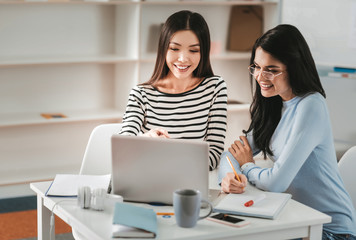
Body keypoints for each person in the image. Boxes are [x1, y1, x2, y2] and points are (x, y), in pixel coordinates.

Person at [218, 24, 356, 239]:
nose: (260, 76)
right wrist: (228, 178)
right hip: (295, 218)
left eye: (271, 70)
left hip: (330, 230)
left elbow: (276, 183)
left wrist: (246, 166)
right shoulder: (274, 104)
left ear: (294, 67)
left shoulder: (311, 106)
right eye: (256, 66)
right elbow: (230, 154)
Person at [119, 10, 227, 170]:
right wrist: (144, 139)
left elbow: (214, 154)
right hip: (149, 176)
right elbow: (123, 146)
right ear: (163, 49)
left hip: (190, 182)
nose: (183, 58)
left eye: (194, 50)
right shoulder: (141, 94)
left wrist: (173, 165)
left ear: (203, 52)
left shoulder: (214, 88)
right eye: (174, 49)